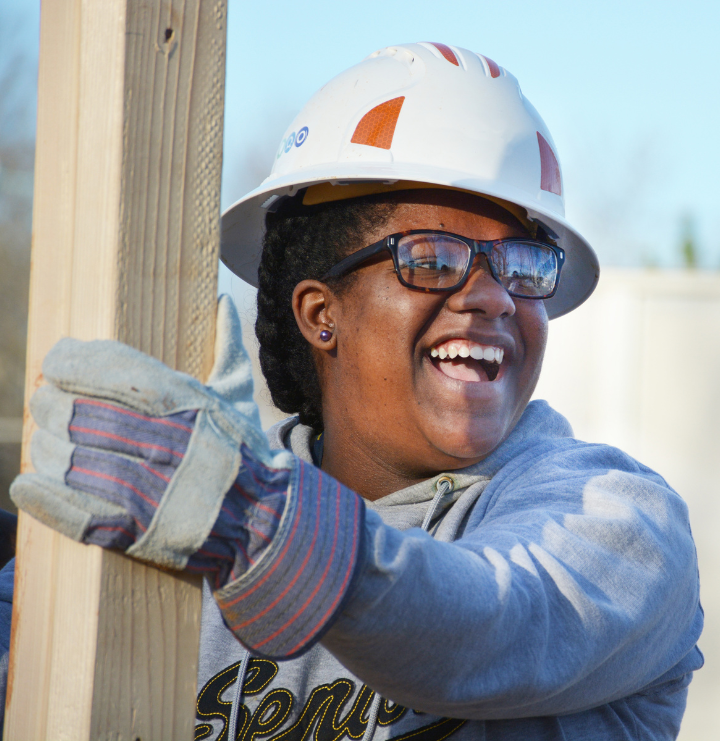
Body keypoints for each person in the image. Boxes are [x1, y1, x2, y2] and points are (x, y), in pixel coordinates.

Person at [3, 42, 703, 740]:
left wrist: (252, 518)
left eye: (522, 265)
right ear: (320, 314)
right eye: (432, 258)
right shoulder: (174, 504)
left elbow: (480, 623)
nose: (491, 295)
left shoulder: (617, 521)